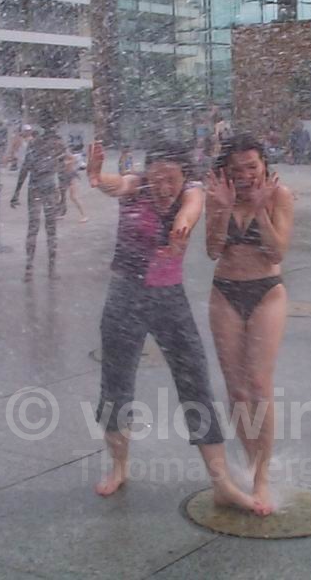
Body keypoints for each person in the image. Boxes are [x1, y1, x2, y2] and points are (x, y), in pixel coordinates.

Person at [86, 140, 269, 516]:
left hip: (170, 300)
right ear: (146, 173)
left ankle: (222, 484)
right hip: (124, 297)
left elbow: (191, 209)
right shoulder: (136, 186)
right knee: (116, 385)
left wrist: (181, 229)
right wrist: (95, 176)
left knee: (196, 385)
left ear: (184, 176)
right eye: (157, 178)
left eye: (171, 178)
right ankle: (119, 466)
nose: (164, 186)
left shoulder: (192, 192)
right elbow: (114, 184)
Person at [205, 134, 294, 511]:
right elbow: (212, 250)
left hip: (266, 292)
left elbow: (277, 251)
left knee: (259, 384)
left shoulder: (280, 196)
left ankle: (262, 477)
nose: (244, 175)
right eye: (236, 169)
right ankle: (250, 458)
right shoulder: (217, 197)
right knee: (237, 390)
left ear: (264, 166)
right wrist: (224, 209)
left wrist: (259, 210)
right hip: (225, 291)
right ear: (225, 170)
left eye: (252, 167)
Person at [10, 125, 65, 281]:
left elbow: (25, 170)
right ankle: (50, 269)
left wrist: (16, 192)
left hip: (36, 188)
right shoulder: (56, 147)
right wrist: (63, 197)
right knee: (50, 230)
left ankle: (30, 268)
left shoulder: (35, 148)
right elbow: (61, 174)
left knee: (34, 228)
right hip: (47, 189)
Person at [58, 149, 87, 223]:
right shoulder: (51, 152)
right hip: (62, 176)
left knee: (74, 197)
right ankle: (61, 213)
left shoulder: (64, 151)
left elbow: (73, 159)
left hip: (71, 176)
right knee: (59, 194)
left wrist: (66, 163)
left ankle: (84, 215)